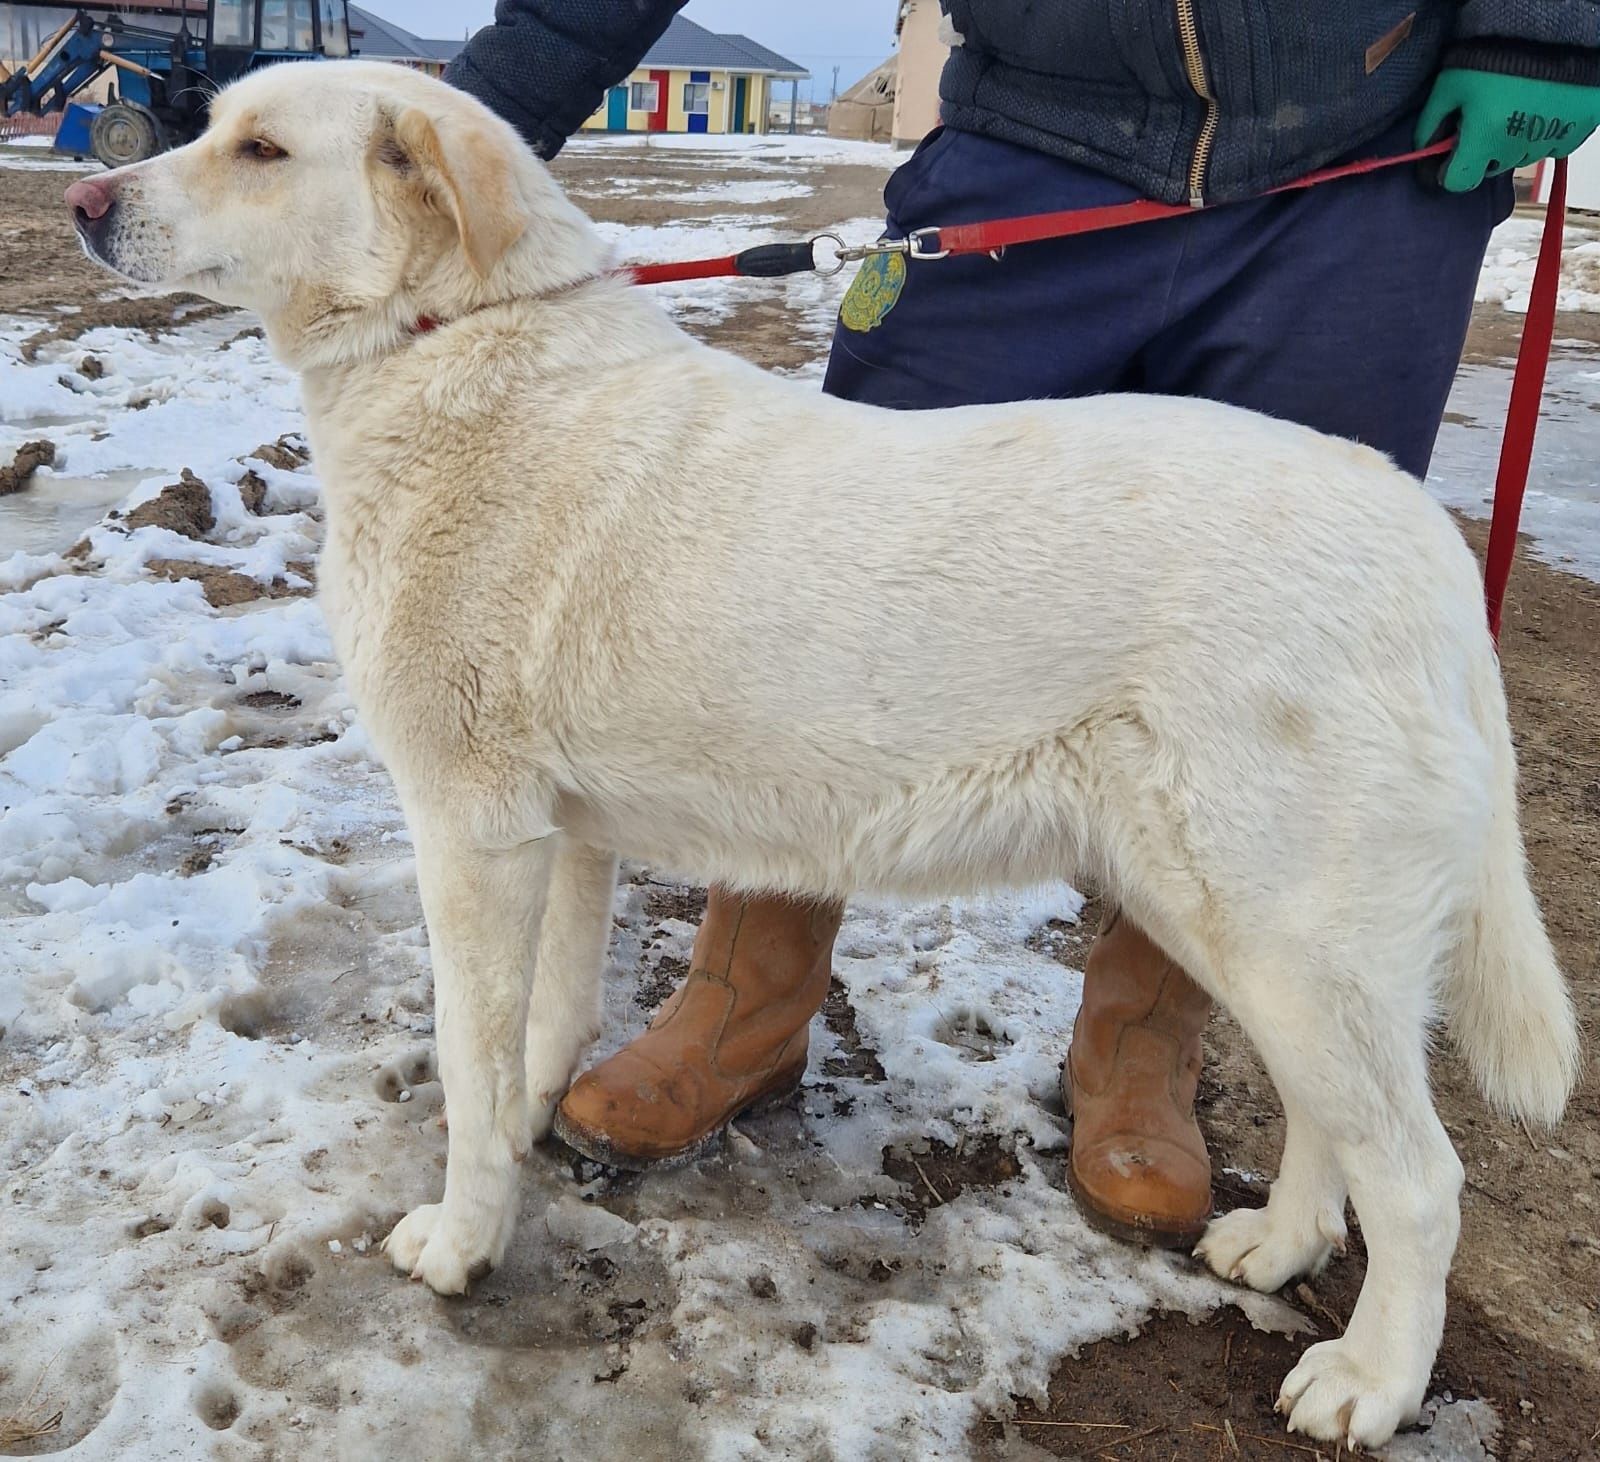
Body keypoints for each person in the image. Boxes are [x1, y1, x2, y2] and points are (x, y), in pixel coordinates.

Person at [445, 3, 1600, 1245]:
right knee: (818, 580)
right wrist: (433, 144)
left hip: (1356, 159)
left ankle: (1139, 1044)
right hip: (1037, 137)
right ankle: (748, 994)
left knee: (1251, 699)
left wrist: (1547, 27)